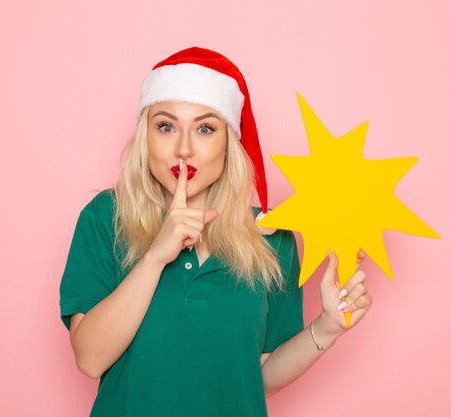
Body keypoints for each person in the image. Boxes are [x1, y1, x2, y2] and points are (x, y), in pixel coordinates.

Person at [59, 47, 372, 417]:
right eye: (166, 126)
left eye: (205, 128)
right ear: (146, 136)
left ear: (229, 142)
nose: (183, 149)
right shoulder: (105, 217)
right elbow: (90, 359)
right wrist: (157, 255)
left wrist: (328, 326)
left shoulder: (272, 238)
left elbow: (258, 374)